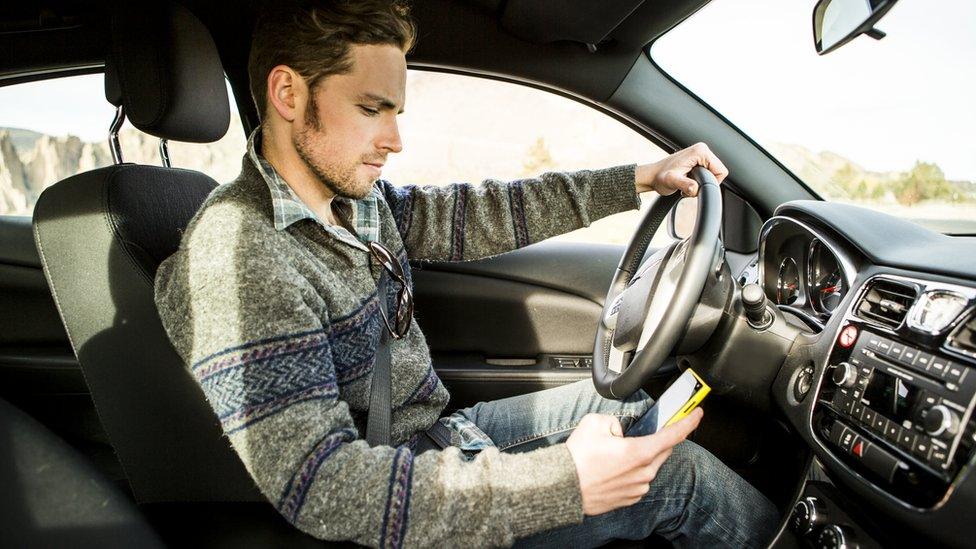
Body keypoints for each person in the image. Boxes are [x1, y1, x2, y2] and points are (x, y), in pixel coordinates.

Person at [153, 1, 779, 547]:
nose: (394, 139)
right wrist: (564, 485)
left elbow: (482, 212)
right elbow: (321, 486)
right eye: (372, 108)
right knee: (678, 479)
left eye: (395, 111)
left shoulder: (350, 203)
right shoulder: (239, 255)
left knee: (625, 405)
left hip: (438, 438)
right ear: (288, 94)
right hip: (404, 502)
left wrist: (637, 180)